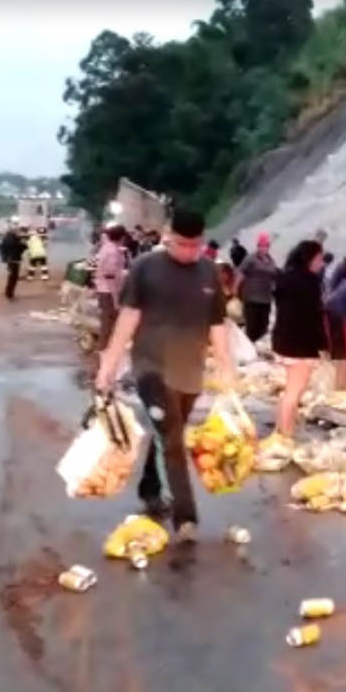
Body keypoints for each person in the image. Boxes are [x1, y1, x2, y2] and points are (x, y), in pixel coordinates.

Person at [95, 209, 236, 543]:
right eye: (182, 244)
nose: (189, 251)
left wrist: (227, 366)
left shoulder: (208, 273)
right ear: (168, 235)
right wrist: (109, 364)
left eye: (195, 245)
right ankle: (186, 518)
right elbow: (128, 317)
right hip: (151, 368)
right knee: (172, 440)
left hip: (191, 372)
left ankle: (149, 488)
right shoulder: (145, 267)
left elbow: (217, 324)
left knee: (167, 433)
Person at [259, 240, 327, 458]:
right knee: (295, 390)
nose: (321, 263)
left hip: (283, 339)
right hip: (301, 342)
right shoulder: (309, 281)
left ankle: (282, 429)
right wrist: (323, 344)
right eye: (318, 259)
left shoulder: (285, 277)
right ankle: (285, 435)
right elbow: (313, 315)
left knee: (290, 389)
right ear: (309, 258)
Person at [234, 233, 278, 343]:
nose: (264, 248)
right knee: (252, 327)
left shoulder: (271, 260)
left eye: (266, 245)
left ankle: (260, 350)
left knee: (264, 326)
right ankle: (250, 348)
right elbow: (240, 274)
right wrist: (235, 289)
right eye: (262, 245)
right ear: (258, 246)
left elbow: (274, 277)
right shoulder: (250, 259)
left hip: (266, 299)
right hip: (251, 298)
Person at [95, 225, 129, 347]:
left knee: (108, 321)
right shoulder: (113, 252)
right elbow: (110, 275)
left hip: (104, 288)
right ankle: (105, 349)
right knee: (108, 322)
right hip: (108, 290)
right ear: (122, 237)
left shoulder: (108, 248)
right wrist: (116, 298)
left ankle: (107, 347)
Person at [0, 228, 27, 300]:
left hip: (9, 261)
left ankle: (8, 292)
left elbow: (0, 248)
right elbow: (25, 247)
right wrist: (21, 241)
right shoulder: (16, 242)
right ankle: (9, 293)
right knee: (14, 277)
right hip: (15, 261)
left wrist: (4, 258)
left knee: (11, 277)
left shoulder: (4, 242)